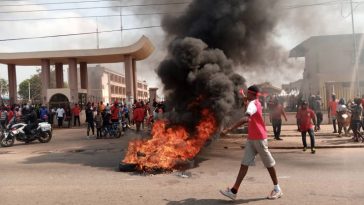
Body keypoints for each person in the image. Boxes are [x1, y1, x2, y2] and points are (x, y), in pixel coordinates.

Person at [219, 85, 283, 201]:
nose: (246, 95)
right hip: (252, 138)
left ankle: (277, 189)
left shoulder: (253, 104)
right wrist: (245, 103)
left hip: (259, 138)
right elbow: (248, 114)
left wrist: (229, 129)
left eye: (248, 94)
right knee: (244, 164)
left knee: (269, 164)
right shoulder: (253, 103)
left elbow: (245, 118)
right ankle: (234, 191)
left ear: (252, 94)